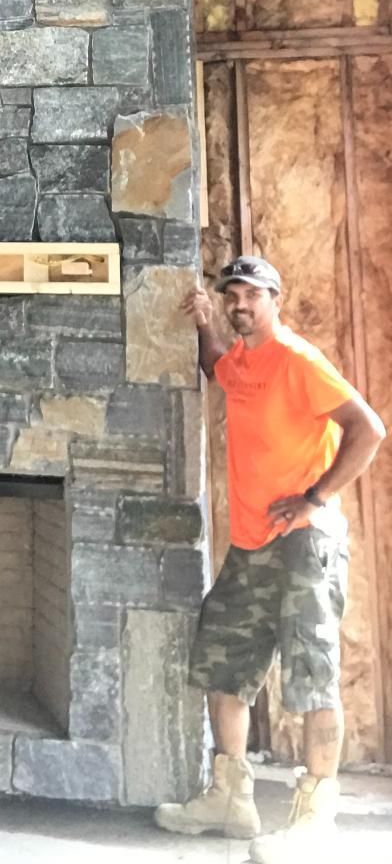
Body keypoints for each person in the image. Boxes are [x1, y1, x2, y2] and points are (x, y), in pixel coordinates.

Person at [154, 255, 385, 861]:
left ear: (274, 300)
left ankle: (315, 817)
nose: (240, 304)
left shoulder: (298, 360)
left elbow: (368, 429)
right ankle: (231, 799)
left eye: (251, 295)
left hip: (306, 539)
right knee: (221, 662)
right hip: (252, 542)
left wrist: (315, 496)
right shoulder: (242, 363)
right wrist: (203, 323)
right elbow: (215, 369)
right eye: (231, 295)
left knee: (312, 672)